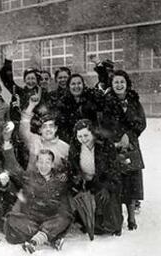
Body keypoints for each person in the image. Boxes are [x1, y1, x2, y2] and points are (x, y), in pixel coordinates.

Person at [100, 70, 147, 230]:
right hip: (114, 146)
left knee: (132, 182)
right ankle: (117, 217)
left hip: (132, 145)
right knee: (117, 181)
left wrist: (129, 134)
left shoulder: (134, 101)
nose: (119, 85)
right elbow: (104, 125)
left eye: (122, 82)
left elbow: (142, 122)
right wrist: (118, 138)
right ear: (112, 85)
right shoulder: (107, 102)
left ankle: (132, 218)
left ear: (126, 84)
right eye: (116, 82)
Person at [4, 149, 73, 252]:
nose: (43, 165)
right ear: (36, 163)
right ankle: (48, 238)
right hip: (32, 218)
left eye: (47, 162)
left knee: (66, 217)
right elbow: (13, 168)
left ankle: (35, 240)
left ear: (52, 164)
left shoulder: (59, 180)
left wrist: (64, 216)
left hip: (50, 218)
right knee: (11, 219)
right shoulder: (29, 176)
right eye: (40, 162)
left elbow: (64, 204)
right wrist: (7, 147)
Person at [68, 119, 123, 236]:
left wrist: (107, 187)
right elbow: (72, 168)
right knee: (88, 223)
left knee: (112, 224)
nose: (83, 139)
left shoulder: (105, 145)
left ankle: (111, 220)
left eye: (86, 135)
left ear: (92, 133)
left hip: (104, 181)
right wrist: (77, 181)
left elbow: (114, 169)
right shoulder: (75, 147)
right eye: (80, 136)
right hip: (86, 184)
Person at [19, 90, 69, 171]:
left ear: (56, 129)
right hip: (33, 182)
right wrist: (31, 106)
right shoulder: (33, 140)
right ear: (40, 130)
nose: (48, 129)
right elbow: (23, 127)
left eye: (51, 126)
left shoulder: (65, 148)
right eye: (45, 127)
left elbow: (70, 170)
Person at [56, 74, 102, 144]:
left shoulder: (91, 99)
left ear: (83, 85)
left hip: (92, 139)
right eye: (73, 84)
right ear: (68, 86)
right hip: (71, 141)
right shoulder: (63, 103)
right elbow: (62, 128)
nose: (76, 86)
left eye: (79, 83)